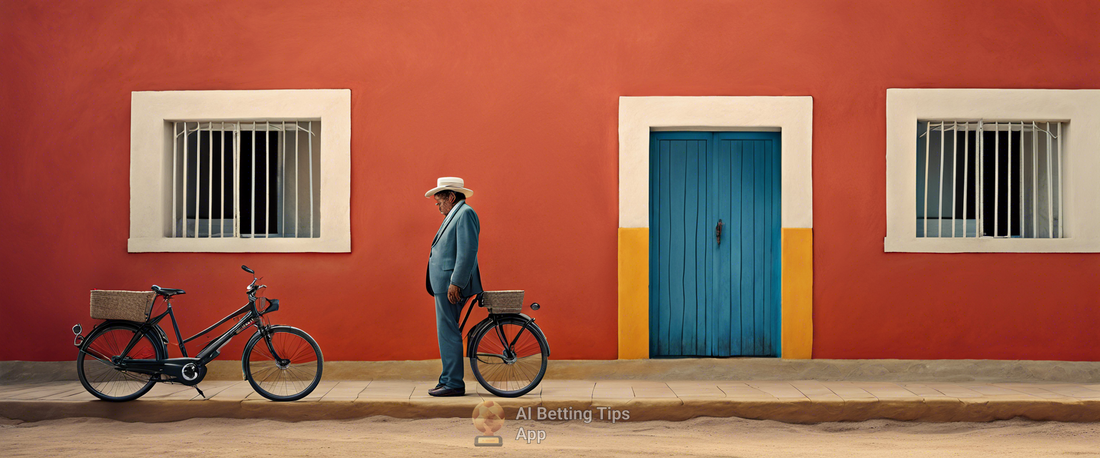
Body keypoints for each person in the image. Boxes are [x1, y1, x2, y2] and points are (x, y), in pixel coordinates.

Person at [424, 177, 483, 397]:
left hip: (451, 284)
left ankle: (453, 383)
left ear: (451, 197)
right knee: (447, 332)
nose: (438, 205)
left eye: (439, 200)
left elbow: (467, 251)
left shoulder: (464, 214)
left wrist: (456, 283)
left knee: (448, 332)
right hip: (444, 283)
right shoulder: (456, 214)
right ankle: (447, 378)